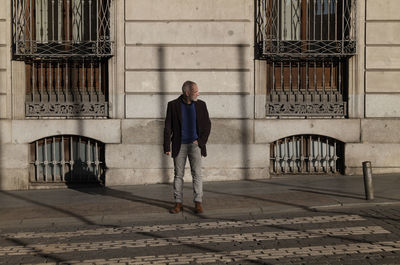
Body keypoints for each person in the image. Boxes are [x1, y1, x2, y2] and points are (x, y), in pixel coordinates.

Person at [163, 81, 211, 214]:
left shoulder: (201, 105)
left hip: (195, 146)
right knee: (178, 175)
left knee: (197, 174)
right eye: (195, 91)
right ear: (187, 92)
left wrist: (200, 142)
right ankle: (178, 203)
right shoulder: (173, 105)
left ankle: (198, 202)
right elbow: (168, 127)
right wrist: (167, 146)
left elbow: (207, 125)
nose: (198, 94)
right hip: (179, 145)